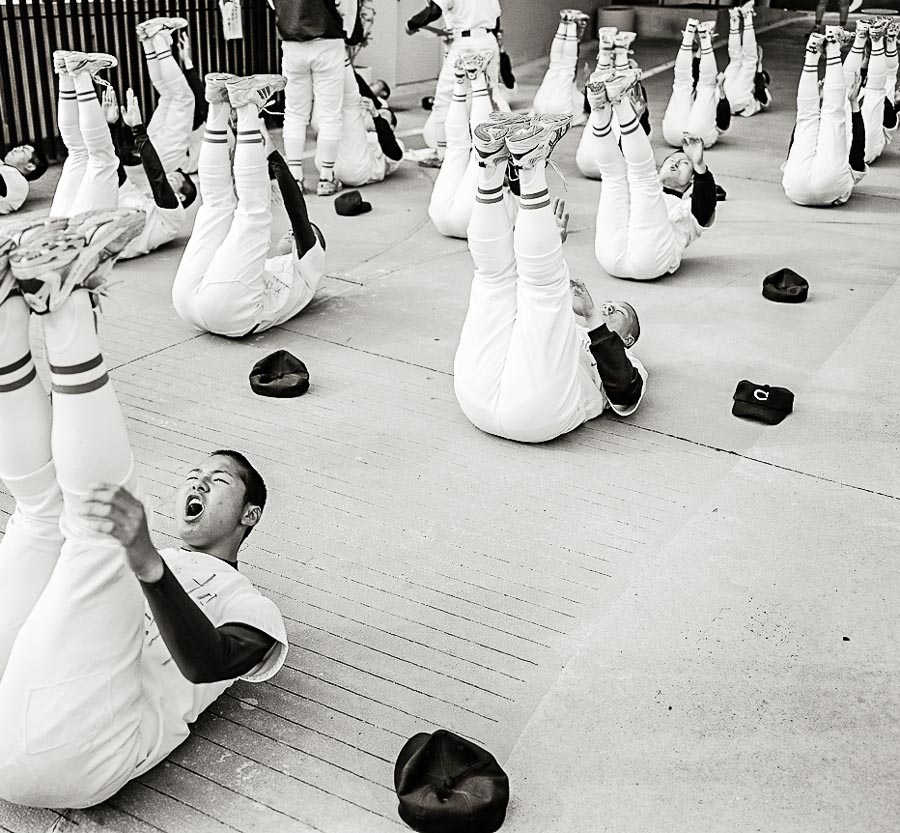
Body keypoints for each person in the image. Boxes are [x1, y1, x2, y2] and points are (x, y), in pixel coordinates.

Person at [0, 209, 288, 808]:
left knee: (93, 533)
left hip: (69, 752)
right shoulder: (143, 556)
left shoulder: (252, 605)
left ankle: (66, 304)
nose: (200, 483)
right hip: (16, 688)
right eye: (194, 474)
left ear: (250, 514)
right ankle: (6, 314)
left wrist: (148, 565)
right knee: (41, 512)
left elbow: (209, 664)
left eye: (220, 481)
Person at [453, 113, 647, 443]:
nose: (610, 308)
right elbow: (509, 301)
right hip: (474, 395)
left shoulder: (632, 363)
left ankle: (531, 166)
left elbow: (624, 394)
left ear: (627, 340)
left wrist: (592, 317)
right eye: (611, 304)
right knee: (495, 278)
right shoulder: (563, 329)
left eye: (620, 313)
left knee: (541, 287)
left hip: (536, 413)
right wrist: (548, 243)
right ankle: (489, 167)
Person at [172, 73, 326, 337]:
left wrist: (271, 154)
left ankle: (246, 105)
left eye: (309, 235)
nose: (293, 232)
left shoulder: (309, 268)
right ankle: (217, 103)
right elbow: (299, 213)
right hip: (192, 304)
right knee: (217, 206)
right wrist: (271, 156)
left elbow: (298, 215)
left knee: (248, 212)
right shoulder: (295, 271)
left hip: (230, 313)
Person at [583, 70, 717, 281]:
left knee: (640, 177)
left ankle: (618, 100)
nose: (675, 163)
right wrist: (636, 120)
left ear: (691, 181)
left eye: (683, 164)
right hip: (610, 257)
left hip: (650, 262)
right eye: (671, 160)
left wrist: (698, 163)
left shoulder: (689, 209)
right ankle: (599, 107)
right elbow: (624, 157)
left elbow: (706, 204)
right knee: (614, 175)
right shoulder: (644, 185)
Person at [273, 0, 357, 196]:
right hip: (327, 39)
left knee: (294, 113)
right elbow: (346, 7)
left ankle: (295, 177)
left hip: (292, 41)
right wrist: (348, 31)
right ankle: (326, 178)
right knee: (329, 114)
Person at [406, 0, 503, 168]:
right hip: (488, 39)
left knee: (445, 99)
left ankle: (442, 153)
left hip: (465, 44)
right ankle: (494, 150)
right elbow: (497, 18)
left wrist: (412, 24)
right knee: (489, 97)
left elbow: (435, 10)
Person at [429, 52, 516, 238]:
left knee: (459, 148)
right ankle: (470, 80)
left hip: (443, 215)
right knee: (474, 150)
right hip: (470, 219)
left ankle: (463, 82)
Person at [781, 30, 867, 207]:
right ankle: (814, 54)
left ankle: (828, 48)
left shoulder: (847, 170)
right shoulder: (847, 171)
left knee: (832, 113)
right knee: (808, 116)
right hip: (798, 188)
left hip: (805, 186)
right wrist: (853, 103)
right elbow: (796, 141)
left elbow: (858, 147)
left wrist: (852, 105)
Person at [112, 89, 196, 259]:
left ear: (181, 197)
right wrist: (111, 126)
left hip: (104, 251)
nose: (167, 176)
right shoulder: (138, 196)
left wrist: (138, 130)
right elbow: (114, 170)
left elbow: (157, 178)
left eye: (173, 178)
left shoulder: (173, 220)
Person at [48, 50, 122, 219]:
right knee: (77, 152)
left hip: (72, 239)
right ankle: (65, 74)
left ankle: (80, 73)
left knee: (101, 160)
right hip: (54, 229)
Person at [136, 17, 198, 174]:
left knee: (183, 98)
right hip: (153, 152)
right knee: (167, 95)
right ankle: (148, 41)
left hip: (169, 159)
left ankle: (157, 36)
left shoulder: (228, 140)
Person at [330, 58, 404, 187]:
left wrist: (376, 115)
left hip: (360, 172)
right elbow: (365, 92)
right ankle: (344, 66)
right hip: (335, 165)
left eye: (384, 116)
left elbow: (394, 154)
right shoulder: (363, 130)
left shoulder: (396, 144)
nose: (379, 115)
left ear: (391, 127)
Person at [662, 19, 732, 149]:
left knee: (682, 83)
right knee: (706, 86)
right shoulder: (713, 96)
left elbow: (695, 72)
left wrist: (704, 44)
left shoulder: (693, 92)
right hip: (699, 137)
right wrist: (704, 45)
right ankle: (701, 37)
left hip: (672, 134)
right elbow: (723, 123)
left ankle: (689, 34)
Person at [531, 9, 590, 121]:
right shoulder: (579, 101)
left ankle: (567, 23)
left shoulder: (577, 96)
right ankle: (566, 23)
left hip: (549, 107)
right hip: (541, 106)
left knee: (565, 65)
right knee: (557, 63)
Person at [724, 1, 771, 117]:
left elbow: (760, 92)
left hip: (732, 101)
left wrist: (759, 67)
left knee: (748, 60)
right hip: (727, 99)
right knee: (736, 59)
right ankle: (735, 20)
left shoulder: (763, 98)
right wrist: (758, 68)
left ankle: (746, 16)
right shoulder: (749, 86)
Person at [0, 143, 49, 215]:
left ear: (30, 166)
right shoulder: (10, 173)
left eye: (23, 151)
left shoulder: (17, 180)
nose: (15, 149)